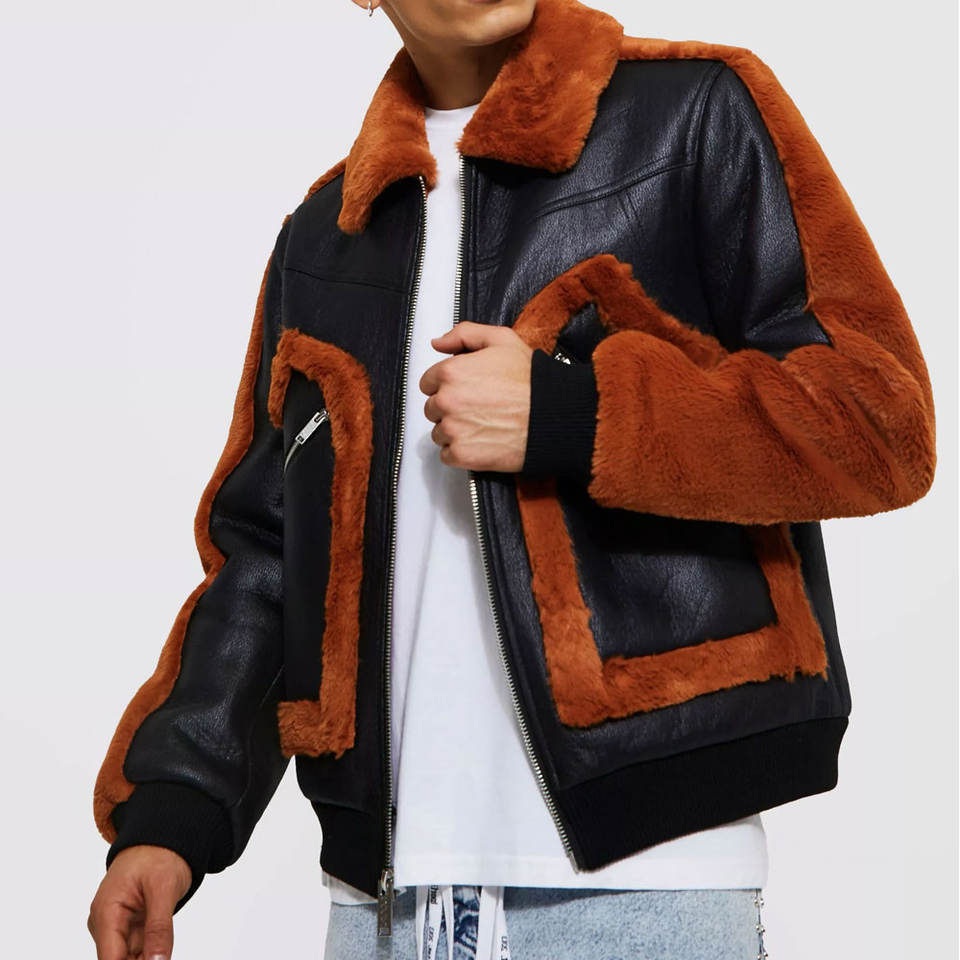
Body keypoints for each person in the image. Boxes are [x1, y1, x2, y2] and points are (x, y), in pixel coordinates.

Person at [87, 0, 937, 958]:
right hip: (381, 909)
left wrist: (577, 416)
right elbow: (268, 557)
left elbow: (879, 423)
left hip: (641, 890)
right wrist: (172, 817)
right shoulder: (327, 234)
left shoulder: (696, 111)